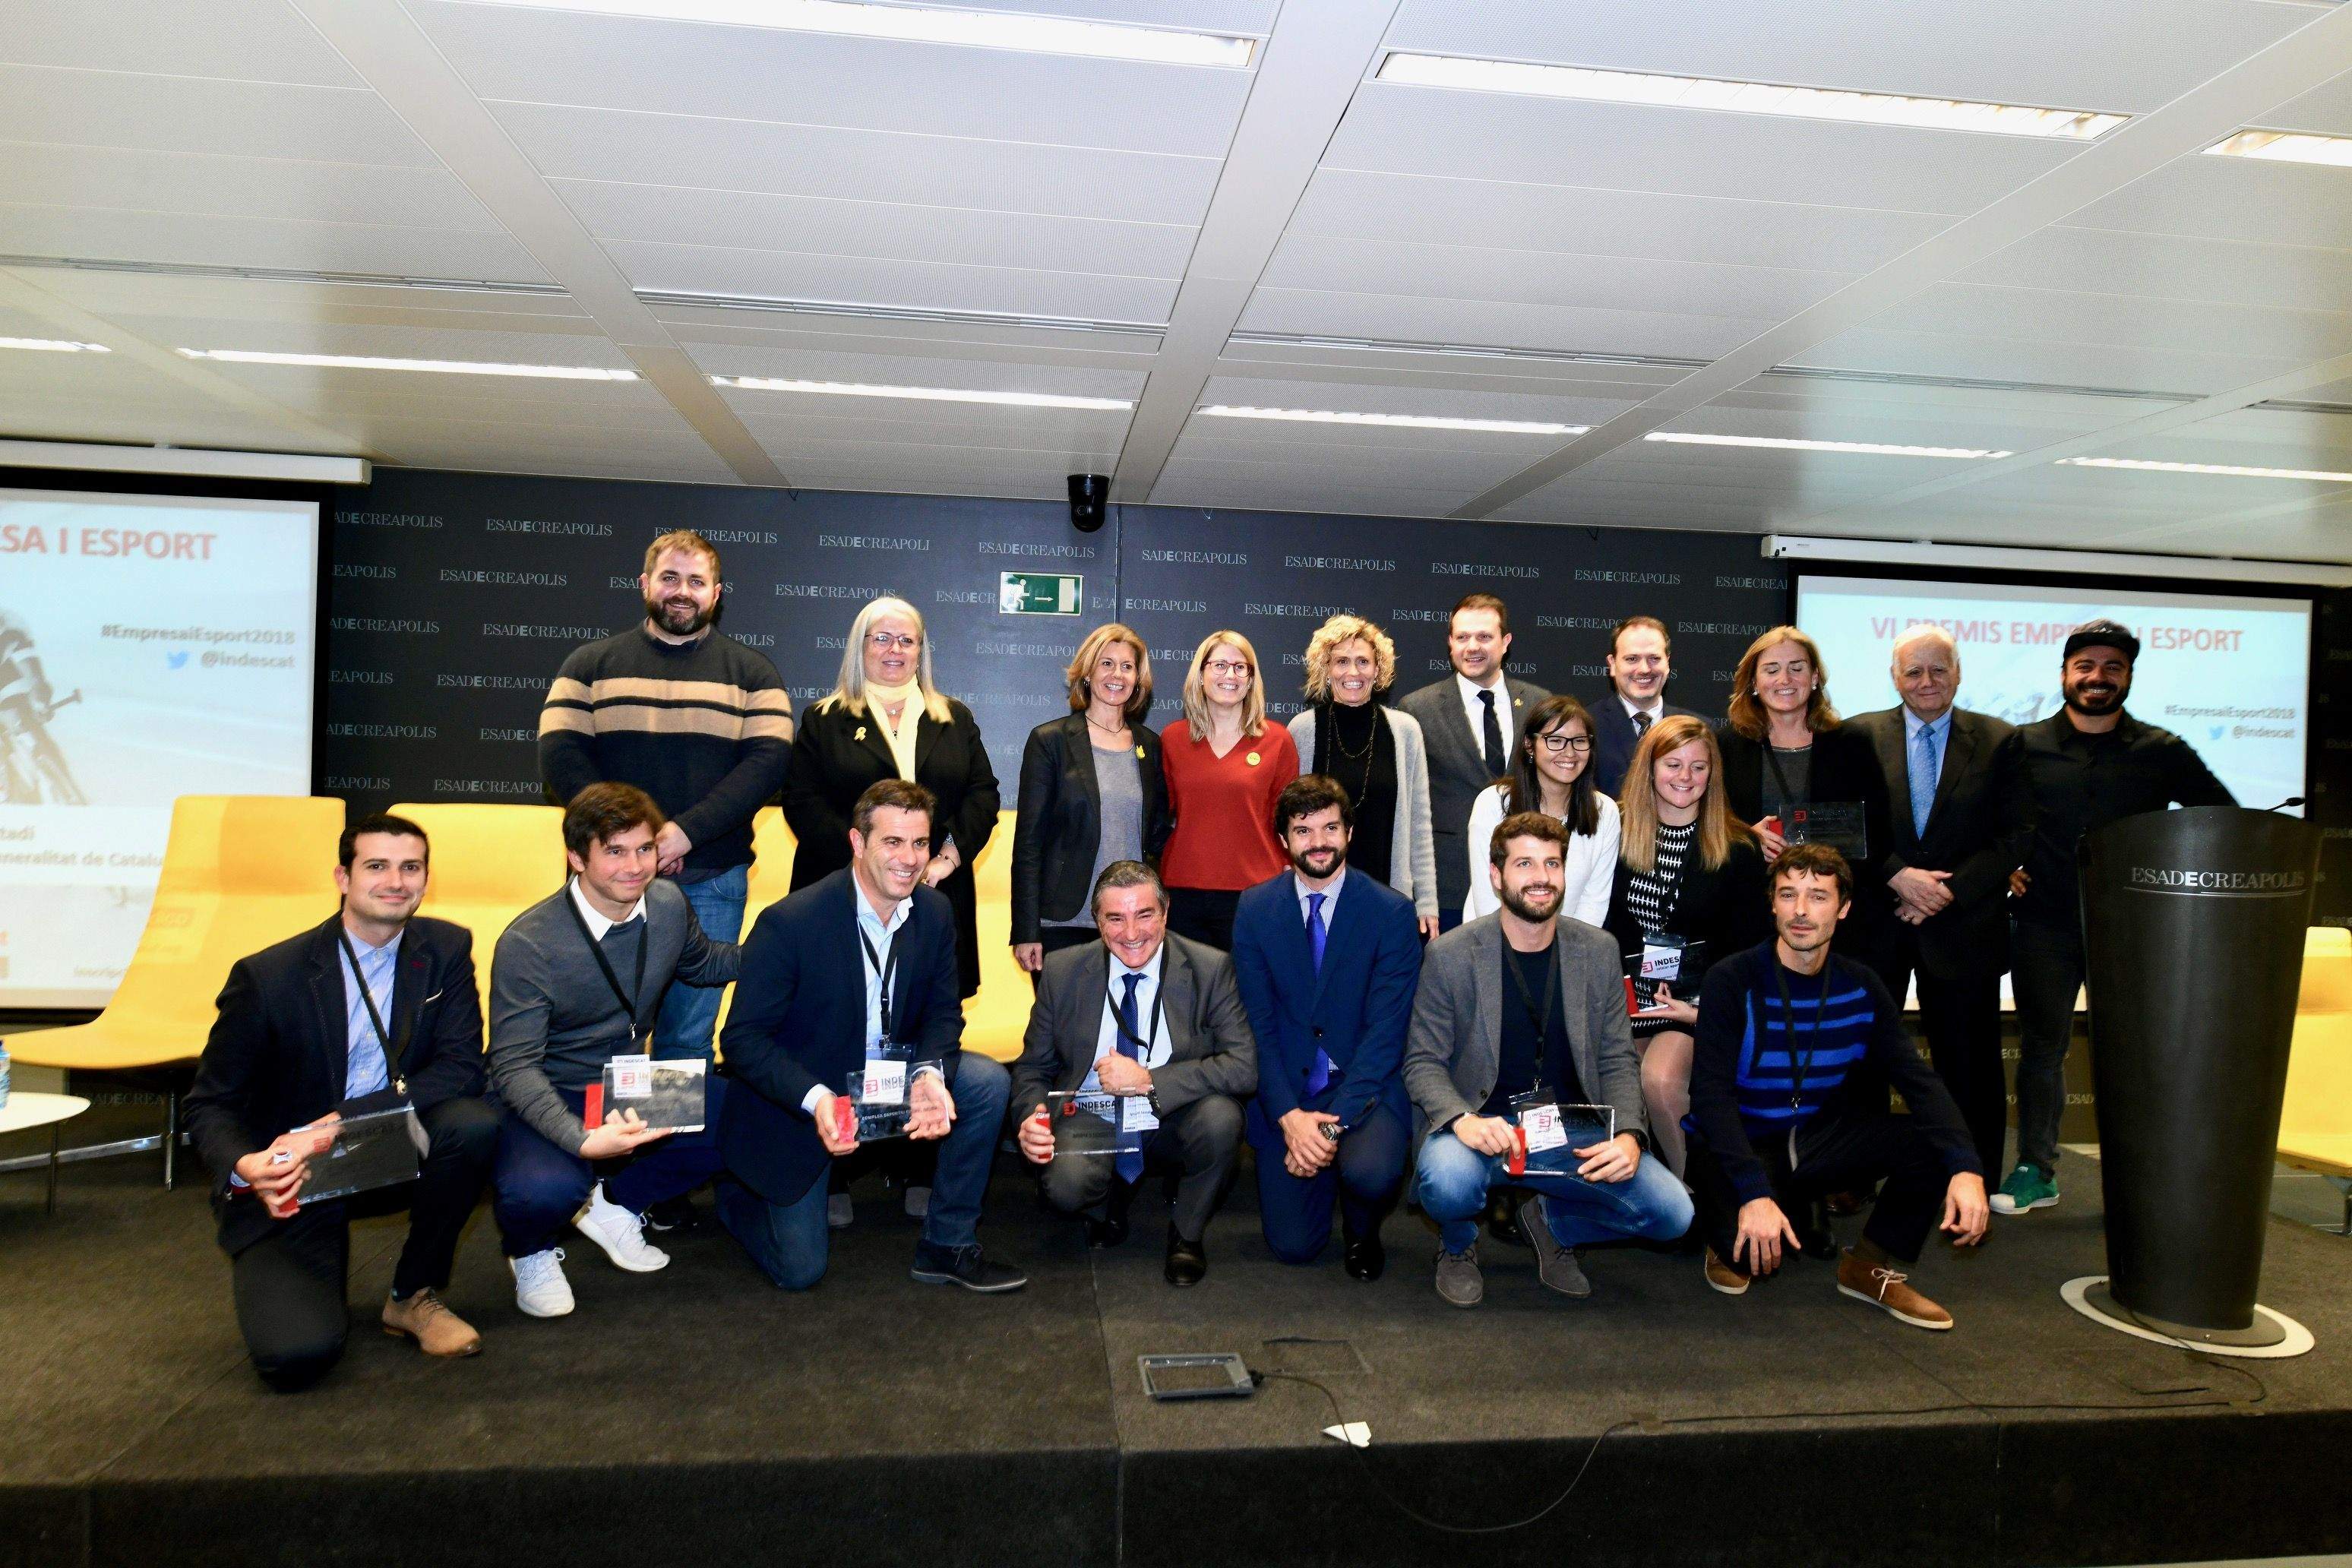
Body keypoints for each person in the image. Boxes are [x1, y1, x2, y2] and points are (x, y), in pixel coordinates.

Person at [185, 814, 498, 1389]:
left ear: (427, 878)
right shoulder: (269, 976)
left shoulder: (446, 948)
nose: (396, 881)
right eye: (376, 866)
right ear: (343, 876)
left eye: (411, 868)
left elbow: (461, 1067)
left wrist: (339, 1120)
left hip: (389, 1148)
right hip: (295, 1176)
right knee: (297, 1357)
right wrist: (246, 1167)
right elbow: (210, 1105)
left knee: (472, 1125)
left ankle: (411, 1296)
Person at [716, 780, 1026, 1292]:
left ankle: (947, 1244)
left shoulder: (934, 912)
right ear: (858, 843)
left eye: (920, 843)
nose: (909, 858)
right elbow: (743, 1039)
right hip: (810, 1094)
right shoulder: (790, 922)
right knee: (800, 1270)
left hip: (891, 1077)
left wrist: (929, 1074)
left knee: (985, 1083)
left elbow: (943, 1013)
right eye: (892, 842)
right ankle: (737, 1194)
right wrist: (817, 1100)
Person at [1684, 843, 1990, 1329]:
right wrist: (1753, 1193)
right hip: (1736, 1143)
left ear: (1843, 908)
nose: (1801, 911)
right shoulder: (1732, 978)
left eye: (1818, 897)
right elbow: (1711, 1097)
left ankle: (1869, 1266)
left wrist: (1966, 1167)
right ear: (1772, 904)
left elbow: (1918, 1081)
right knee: (1743, 1261)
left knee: (1932, 1143)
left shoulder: (1862, 986)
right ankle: (1727, 1227)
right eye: (1788, 895)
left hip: (1815, 1138)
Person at [1403, 813, 1694, 1308]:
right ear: (1497, 877)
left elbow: (1617, 1059)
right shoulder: (1452, 955)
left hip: (1569, 1130)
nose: (1541, 877)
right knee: (1447, 1180)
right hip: (1482, 1127)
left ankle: (1551, 1222)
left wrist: (1629, 1134)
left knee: (1673, 1214)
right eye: (1525, 864)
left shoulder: (1598, 951)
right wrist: (1460, 1120)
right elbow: (1422, 1062)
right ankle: (1456, 1245)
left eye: (1552, 864)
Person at [1994, 618, 2234, 1217]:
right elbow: (1983, 820)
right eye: (2086, 667)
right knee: (2044, 1051)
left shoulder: (2161, 751)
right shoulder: (2022, 746)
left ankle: (2141, 1177)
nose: (2097, 678)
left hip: (2134, 932)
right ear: (2065, 676)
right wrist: (2000, 867)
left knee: (2133, 1053)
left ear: (2127, 677)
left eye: (2112, 668)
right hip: (2045, 924)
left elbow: (2222, 820)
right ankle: (2035, 1170)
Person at [537, 530, 791, 1068]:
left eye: (696, 581)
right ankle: (597, 1150)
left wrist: (683, 834)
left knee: (686, 1043)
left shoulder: (754, 674)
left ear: (716, 593)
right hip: (606, 882)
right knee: (596, 1034)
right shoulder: (587, 665)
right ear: (644, 585)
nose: (682, 591)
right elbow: (560, 758)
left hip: (711, 882)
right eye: (670, 578)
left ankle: (668, 1152)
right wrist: (637, 843)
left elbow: (766, 767)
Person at [486, 784, 741, 1320]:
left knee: (748, 1115)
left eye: (645, 849)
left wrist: (786, 949)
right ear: (578, 858)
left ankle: (613, 1204)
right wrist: (583, 1141)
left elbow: (705, 964)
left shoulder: (668, 905)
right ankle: (529, 1251)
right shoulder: (530, 942)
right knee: (544, 1188)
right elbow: (514, 1066)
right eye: (616, 851)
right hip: (547, 1091)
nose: (635, 866)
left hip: (627, 1084)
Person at [1013, 861, 1257, 1286]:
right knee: (1066, 1190)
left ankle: (1186, 1233)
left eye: (1144, 915)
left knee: (1222, 1120)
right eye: (1116, 918)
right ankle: (1105, 1201)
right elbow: (1034, 1066)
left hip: (1172, 1112)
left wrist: (1150, 1080)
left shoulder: (1210, 968)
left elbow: (1244, 1066)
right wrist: (1031, 1117)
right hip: (1091, 1111)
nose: (1131, 933)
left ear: (1165, 913)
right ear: (1097, 922)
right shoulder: (1062, 970)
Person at [1847, 625, 2028, 1181]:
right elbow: (1846, 828)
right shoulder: (1856, 736)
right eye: (1914, 671)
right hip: (1878, 921)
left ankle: (1971, 1176)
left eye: (1938, 669)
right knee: (1862, 1057)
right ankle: (1853, 1177)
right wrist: (1898, 877)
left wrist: (1944, 891)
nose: (1927, 682)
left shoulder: (2001, 740)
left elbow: (2016, 835)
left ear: (1958, 673)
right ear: (1895, 677)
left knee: (1969, 1062)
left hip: (1964, 925)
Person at [1228, 776, 1422, 1278]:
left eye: (1330, 827)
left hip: (1363, 1088)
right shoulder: (1254, 909)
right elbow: (1258, 1027)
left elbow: (1386, 1034)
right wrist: (1290, 1118)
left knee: (1371, 1172)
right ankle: (1315, 1172)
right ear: (1283, 841)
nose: (1318, 842)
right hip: (1289, 1090)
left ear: (1350, 833)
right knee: (1294, 1247)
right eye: (1303, 830)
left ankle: (1363, 1227)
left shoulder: (1391, 912)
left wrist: (1332, 1127)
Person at [782, 596, 999, 1001]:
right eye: (881, 638)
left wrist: (944, 859)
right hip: (844, 890)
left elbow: (982, 795)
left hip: (935, 890)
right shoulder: (823, 719)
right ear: (859, 647)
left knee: (929, 1016)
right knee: (837, 1009)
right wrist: (869, 866)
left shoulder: (955, 718)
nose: (895, 649)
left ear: (921, 651)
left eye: (907, 640)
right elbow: (802, 802)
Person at [1604, 716, 1770, 1176]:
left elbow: (1751, 955)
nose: (1686, 777)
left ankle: (1695, 1198)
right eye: (1673, 764)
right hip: (1629, 1001)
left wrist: (1703, 1011)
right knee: (1610, 1083)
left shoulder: (1738, 849)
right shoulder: (1613, 832)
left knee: (1658, 1080)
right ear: (1649, 769)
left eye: (1699, 767)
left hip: (1698, 1006)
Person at [1010, 624, 1170, 975]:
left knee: (1127, 1026)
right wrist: (1025, 929)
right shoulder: (1050, 741)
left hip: (1132, 926)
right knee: (1064, 1029)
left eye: (1127, 667)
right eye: (1106, 664)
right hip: (1064, 920)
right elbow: (1028, 843)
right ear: (1087, 673)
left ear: (1138, 680)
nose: (1117, 675)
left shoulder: (1151, 746)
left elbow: (1159, 835)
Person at [1400, 593, 1553, 933]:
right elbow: (1409, 808)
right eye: (1462, 637)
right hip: (1449, 887)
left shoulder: (1540, 704)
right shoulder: (1417, 709)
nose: (1473, 646)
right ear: (1450, 643)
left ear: (1505, 642)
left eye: (1484, 637)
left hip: (1527, 880)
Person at [1284, 615, 1440, 938]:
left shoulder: (1405, 731)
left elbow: (1419, 824)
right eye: (1341, 661)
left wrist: (1426, 902)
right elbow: (1288, 819)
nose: (1352, 672)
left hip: (1387, 896)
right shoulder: (1302, 729)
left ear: (1378, 669)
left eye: (1363, 662)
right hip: (1317, 897)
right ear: (1326, 670)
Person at [1158, 631, 1298, 950]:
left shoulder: (1277, 740)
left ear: (1251, 679)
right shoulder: (1172, 739)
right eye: (1219, 665)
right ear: (1201, 674)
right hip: (1182, 891)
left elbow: (1290, 822)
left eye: (1240, 667)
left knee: (1248, 997)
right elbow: (1156, 816)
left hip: (1256, 892)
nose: (1229, 675)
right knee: (1189, 997)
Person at [1462, 695, 1620, 928]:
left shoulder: (1605, 811)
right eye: (1555, 741)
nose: (1569, 753)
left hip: (1567, 949)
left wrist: (1568, 953)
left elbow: (1594, 902)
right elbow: (1488, 898)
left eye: (1579, 741)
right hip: (1493, 942)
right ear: (1529, 745)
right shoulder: (1493, 803)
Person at [1589, 615, 1705, 797]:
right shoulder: (1586, 726)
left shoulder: (1701, 730)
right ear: (1612, 664)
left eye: (1654, 658)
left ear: (1668, 662)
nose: (1644, 669)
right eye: (1632, 659)